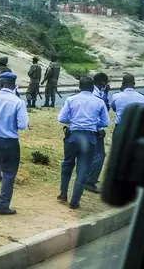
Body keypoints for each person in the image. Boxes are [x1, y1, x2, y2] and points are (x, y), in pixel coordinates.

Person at [57, 76, 110, 209]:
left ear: (79, 87)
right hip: (89, 138)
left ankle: (63, 194)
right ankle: (74, 202)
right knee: (83, 169)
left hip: (73, 136)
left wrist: (74, 120)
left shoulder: (71, 99)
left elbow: (62, 118)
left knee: (67, 164)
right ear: (92, 88)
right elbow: (105, 122)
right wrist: (93, 123)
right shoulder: (99, 102)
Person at [0, 72, 29, 215]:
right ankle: (3, 205)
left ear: (1, 83)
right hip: (9, 140)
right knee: (8, 173)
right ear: (14, 85)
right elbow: (23, 125)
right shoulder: (17, 102)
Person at [85, 72, 110, 193]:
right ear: (102, 83)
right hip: (93, 129)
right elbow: (96, 116)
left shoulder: (96, 92)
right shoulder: (97, 95)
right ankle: (90, 181)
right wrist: (99, 129)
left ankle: (89, 176)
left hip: (87, 129)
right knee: (99, 155)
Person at [110, 73, 144, 139]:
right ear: (134, 84)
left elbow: (114, 109)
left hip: (120, 128)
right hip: (136, 128)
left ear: (123, 83)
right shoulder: (143, 97)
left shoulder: (116, 96)